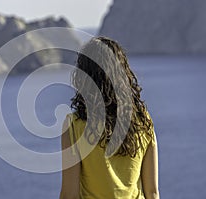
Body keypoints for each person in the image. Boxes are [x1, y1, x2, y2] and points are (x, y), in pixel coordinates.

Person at [59, 36, 159, 199]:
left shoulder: (74, 126)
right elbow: (152, 192)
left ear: (84, 77)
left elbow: (70, 195)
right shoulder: (143, 120)